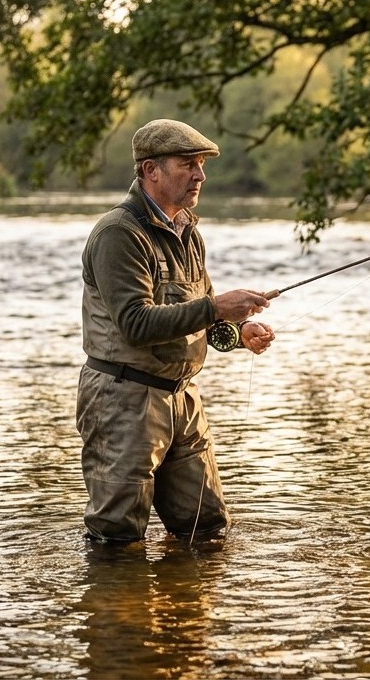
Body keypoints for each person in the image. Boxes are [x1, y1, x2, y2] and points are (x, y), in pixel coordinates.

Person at [75, 118, 275, 543]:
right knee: (118, 540)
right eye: (188, 163)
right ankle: (118, 607)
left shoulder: (189, 232)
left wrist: (241, 333)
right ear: (151, 170)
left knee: (208, 531)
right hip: (123, 400)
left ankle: (186, 608)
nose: (200, 175)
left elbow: (205, 319)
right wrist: (217, 307)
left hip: (183, 400)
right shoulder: (118, 234)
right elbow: (135, 323)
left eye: (201, 165)